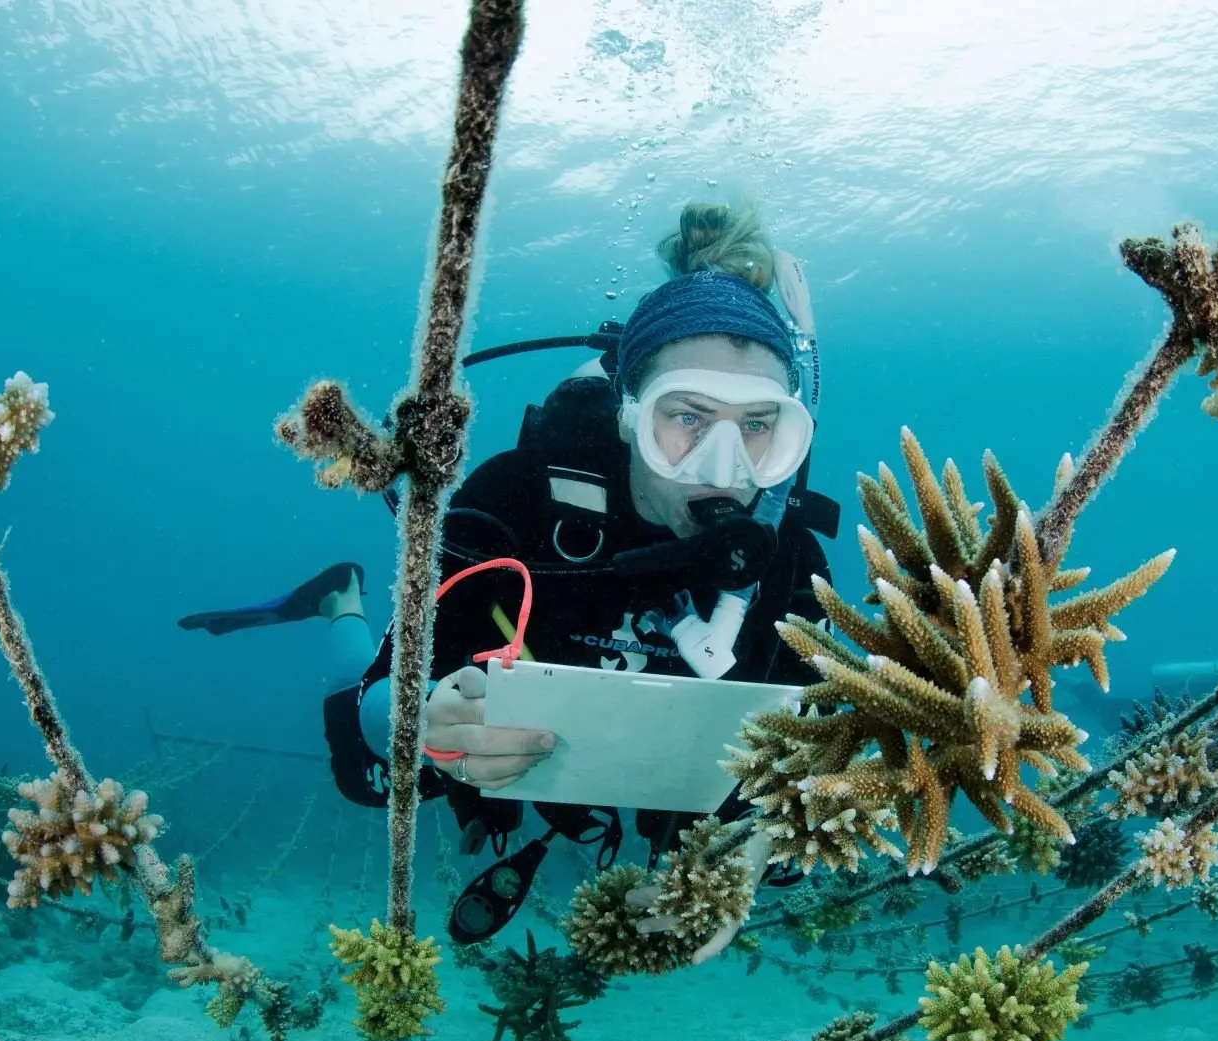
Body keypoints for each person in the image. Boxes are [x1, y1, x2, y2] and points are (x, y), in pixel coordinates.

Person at [180, 202, 838, 959]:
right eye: (684, 416)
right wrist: (421, 722)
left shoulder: (789, 563)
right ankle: (341, 602)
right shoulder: (516, 501)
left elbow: (811, 768)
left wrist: (751, 859)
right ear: (627, 412)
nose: (724, 467)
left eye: (758, 425)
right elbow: (386, 690)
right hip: (502, 762)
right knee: (371, 780)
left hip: (661, 792)